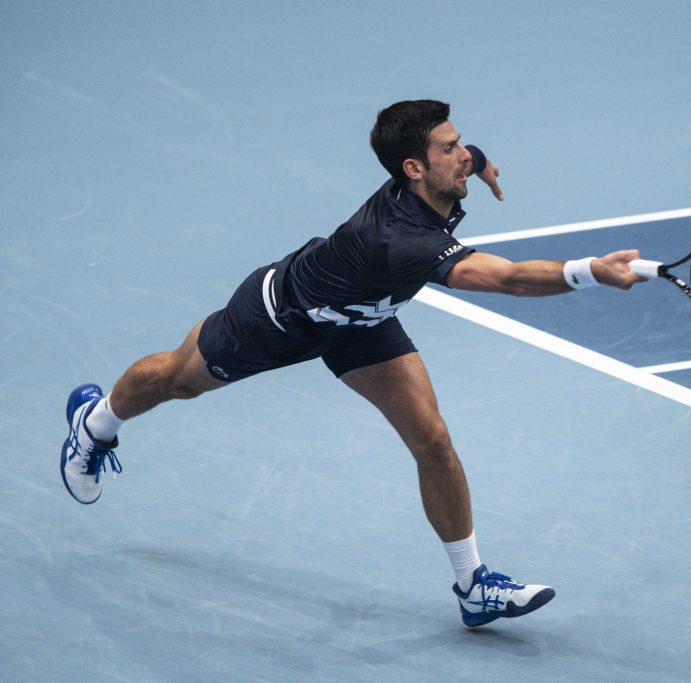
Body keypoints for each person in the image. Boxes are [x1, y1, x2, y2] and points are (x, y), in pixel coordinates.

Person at [60, 99, 645, 627]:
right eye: (450, 150)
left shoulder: (435, 180)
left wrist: (477, 162)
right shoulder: (404, 239)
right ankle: (95, 424)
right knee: (175, 382)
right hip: (275, 318)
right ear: (413, 169)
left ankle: (473, 587)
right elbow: (509, 280)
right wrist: (588, 271)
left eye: (461, 143)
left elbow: (465, 162)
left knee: (433, 440)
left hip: (361, 321)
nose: (463, 155)